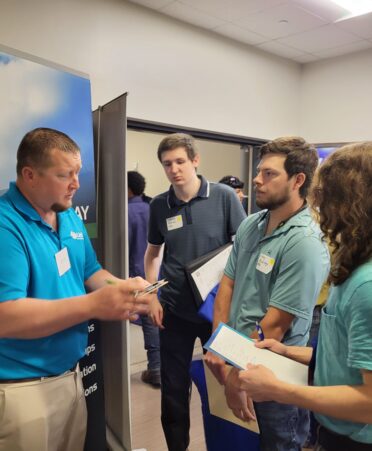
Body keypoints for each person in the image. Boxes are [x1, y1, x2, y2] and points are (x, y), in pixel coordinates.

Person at [0, 128, 151, 451]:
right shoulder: (5, 225)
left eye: (77, 172)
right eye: (64, 174)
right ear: (29, 175)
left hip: (70, 378)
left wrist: (124, 288)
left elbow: (90, 271)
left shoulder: (67, 216)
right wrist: (94, 305)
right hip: (21, 389)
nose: (76, 184)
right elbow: (6, 316)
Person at [232, 142, 372, 451]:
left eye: (325, 196)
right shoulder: (354, 269)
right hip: (336, 433)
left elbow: (368, 403)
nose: (317, 208)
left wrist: (280, 390)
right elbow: (346, 359)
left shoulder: (365, 286)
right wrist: (289, 352)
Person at [205, 136, 330, 451]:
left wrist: (235, 373)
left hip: (275, 373)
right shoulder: (251, 224)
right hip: (236, 357)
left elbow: (276, 323)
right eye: (259, 171)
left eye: (269, 174)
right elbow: (227, 287)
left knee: (279, 443)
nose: (257, 180)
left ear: (297, 180)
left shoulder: (304, 243)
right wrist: (219, 347)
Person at [144, 133, 246, 451]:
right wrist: (151, 295)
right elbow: (152, 254)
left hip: (216, 309)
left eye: (180, 162)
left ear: (195, 161)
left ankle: (224, 443)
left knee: (223, 383)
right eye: (167, 164)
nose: (174, 169)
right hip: (174, 309)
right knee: (173, 388)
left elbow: (243, 249)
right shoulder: (160, 205)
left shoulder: (224, 196)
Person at [127, 170, 160, 387]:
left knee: (149, 322)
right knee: (155, 321)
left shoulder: (126, 212)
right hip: (156, 274)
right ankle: (157, 366)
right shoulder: (152, 208)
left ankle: (155, 368)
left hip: (136, 275)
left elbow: (123, 248)